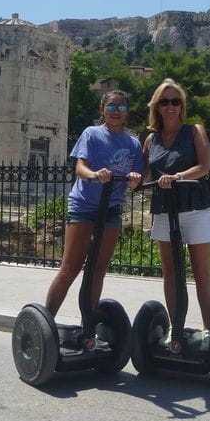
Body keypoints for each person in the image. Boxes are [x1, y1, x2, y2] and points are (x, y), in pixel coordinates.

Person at [44, 90, 142, 349]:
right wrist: (94, 175)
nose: (116, 111)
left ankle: (88, 327)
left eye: (122, 107)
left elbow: (138, 178)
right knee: (70, 268)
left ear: (127, 111)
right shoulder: (91, 133)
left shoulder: (132, 142)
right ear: (103, 109)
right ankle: (44, 323)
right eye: (112, 106)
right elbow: (80, 167)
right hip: (84, 207)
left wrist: (134, 179)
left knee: (98, 269)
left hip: (110, 210)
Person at [143, 78, 210, 351]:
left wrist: (177, 176)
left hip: (195, 207)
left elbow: (204, 166)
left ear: (182, 105)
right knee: (171, 272)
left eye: (175, 101)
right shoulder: (151, 139)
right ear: (157, 106)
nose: (170, 106)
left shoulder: (195, 131)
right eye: (165, 101)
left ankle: (208, 329)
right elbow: (143, 174)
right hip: (165, 209)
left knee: (201, 272)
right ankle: (175, 328)